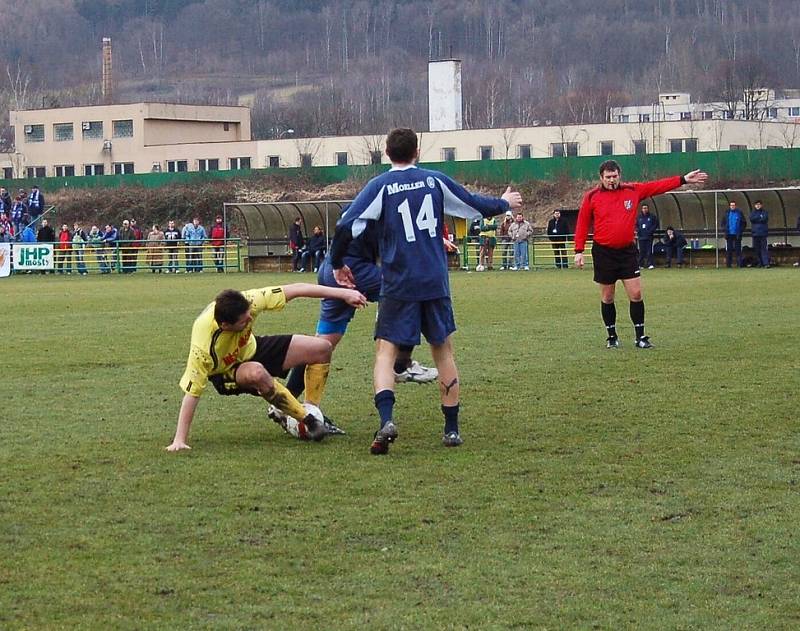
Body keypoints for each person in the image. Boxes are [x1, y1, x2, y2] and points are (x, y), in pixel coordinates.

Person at [330, 127, 523, 454]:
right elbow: (472, 204)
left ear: (387, 154)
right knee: (443, 351)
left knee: (385, 353)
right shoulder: (433, 180)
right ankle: (451, 430)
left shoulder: (381, 185)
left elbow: (345, 224)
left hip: (398, 283)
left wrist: (338, 262)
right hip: (434, 280)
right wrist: (504, 202)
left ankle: (387, 420)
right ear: (417, 151)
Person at [165, 283, 367, 452]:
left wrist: (344, 293)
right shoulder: (203, 345)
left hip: (252, 347)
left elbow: (296, 289)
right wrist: (179, 440)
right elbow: (192, 394)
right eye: (245, 321)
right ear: (225, 325)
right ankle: (308, 420)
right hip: (227, 372)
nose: (250, 319)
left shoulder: (250, 300)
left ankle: (311, 409)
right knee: (257, 373)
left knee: (322, 348)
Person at [574, 159, 707, 349]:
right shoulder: (592, 196)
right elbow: (582, 223)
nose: (612, 180)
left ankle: (640, 337)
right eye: (608, 177)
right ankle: (612, 337)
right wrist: (579, 250)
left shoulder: (632, 191)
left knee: (636, 294)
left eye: (615, 176)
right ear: (601, 178)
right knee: (608, 297)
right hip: (603, 253)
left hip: (627, 252)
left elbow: (657, 187)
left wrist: (682, 179)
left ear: (620, 175)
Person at [721, 201, 746, 268]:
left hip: (737, 234)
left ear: (735, 206)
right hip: (729, 234)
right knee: (729, 250)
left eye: (733, 205)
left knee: (738, 250)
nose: (732, 206)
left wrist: (741, 231)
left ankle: (739, 264)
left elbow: (744, 223)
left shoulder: (739, 213)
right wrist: (725, 230)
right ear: (729, 206)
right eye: (731, 205)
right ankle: (728, 265)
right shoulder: (727, 213)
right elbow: (723, 223)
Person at [636, 204, 660, 269]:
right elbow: (636, 225)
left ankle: (650, 264)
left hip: (649, 236)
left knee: (649, 251)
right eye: (643, 208)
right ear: (641, 209)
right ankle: (641, 264)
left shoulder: (652, 216)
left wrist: (651, 231)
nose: (645, 209)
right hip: (641, 237)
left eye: (646, 208)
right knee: (641, 251)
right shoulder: (639, 217)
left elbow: (656, 224)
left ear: (648, 209)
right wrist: (638, 230)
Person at [749, 200, 769, 268]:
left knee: (764, 249)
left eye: (759, 204)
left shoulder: (764, 212)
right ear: (755, 205)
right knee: (757, 249)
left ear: (761, 205)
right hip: (755, 234)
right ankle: (760, 263)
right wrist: (759, 217)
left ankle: (766, 263)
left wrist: (758, 219)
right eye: (756, 204)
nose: (758, 205)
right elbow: (752, 219)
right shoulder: (752, 213)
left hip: (763, 233)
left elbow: (765, 219)